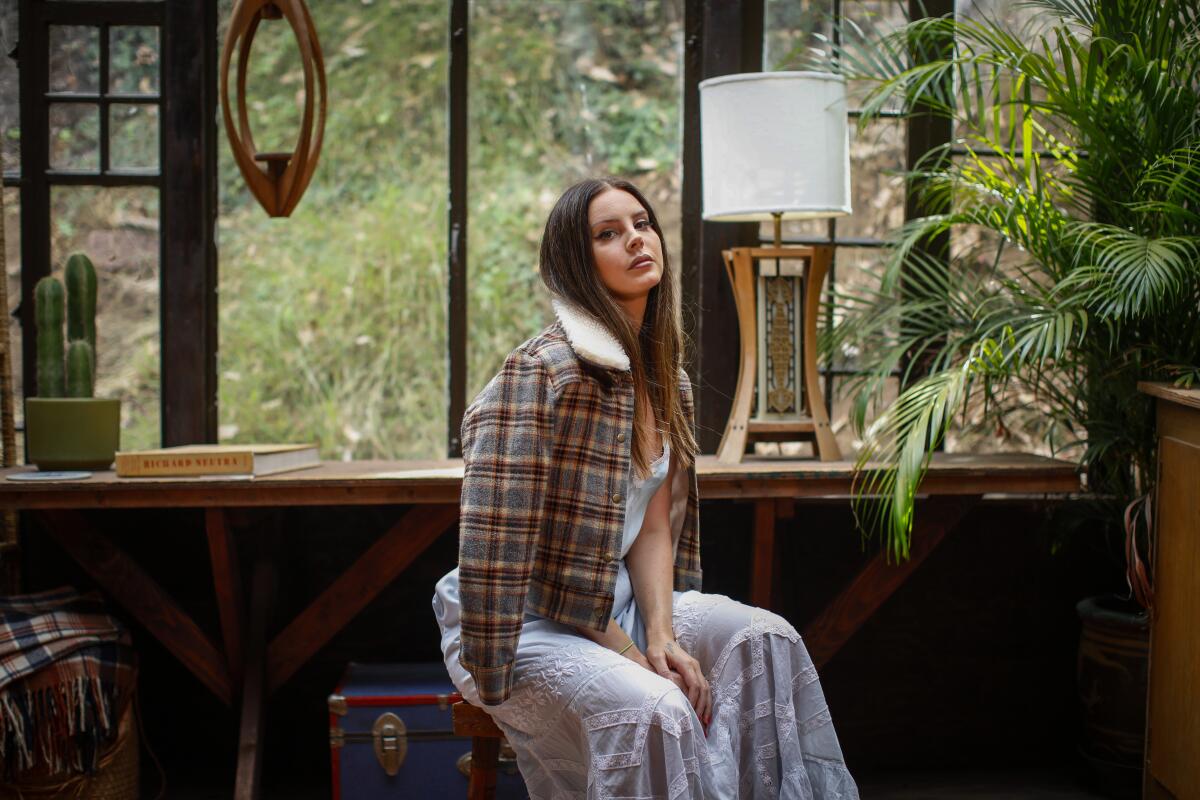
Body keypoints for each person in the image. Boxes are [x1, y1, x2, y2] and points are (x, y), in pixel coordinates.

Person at [433, 178, 859, 799]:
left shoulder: (667, 381)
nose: (637, 239)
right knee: (658, 705)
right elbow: (533, 564)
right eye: (609, 234)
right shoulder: (542, 373)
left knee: (766, 640)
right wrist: (636, 657)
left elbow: (654, 526)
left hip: (622, 600)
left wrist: (660, 635)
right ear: (577, 264)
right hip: (522, 619)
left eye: (642, 223)